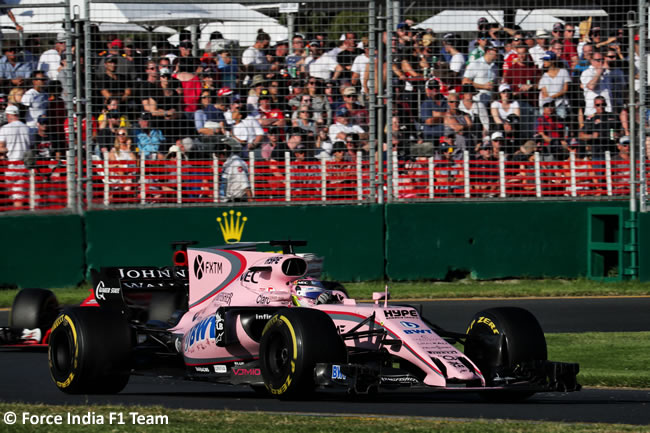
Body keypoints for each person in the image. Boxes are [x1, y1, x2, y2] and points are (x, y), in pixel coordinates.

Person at [0, 104, 31, 208]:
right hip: (25, 165)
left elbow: (1, 148)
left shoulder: (5, 128)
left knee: (15, 196)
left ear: (8, 115)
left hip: (11, 165)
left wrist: (8, 149)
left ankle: (17, 219)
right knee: (19, 194)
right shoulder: (27, 128)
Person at [538, 52, 571, 119]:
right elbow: (544, 93)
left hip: (560, 104)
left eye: (546, 60)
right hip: (548, 106)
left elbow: (565, 89)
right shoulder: (544, 76)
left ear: (553, 61)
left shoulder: (563, 72)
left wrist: (552, 97)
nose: (544, 62)